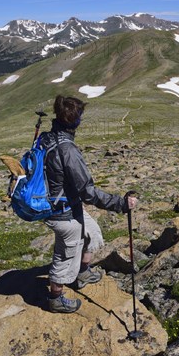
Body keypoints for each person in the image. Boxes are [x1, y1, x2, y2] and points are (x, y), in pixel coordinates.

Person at [38, 95, 137, 313]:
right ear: (75, 120)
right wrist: (120, 204)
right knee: (65, 256)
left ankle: (82, 271)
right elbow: (87, 191)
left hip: (61, 204)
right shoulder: (68, 150)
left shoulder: (47, 138)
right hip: (62, 212)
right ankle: (56, 298)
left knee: (91, 233)